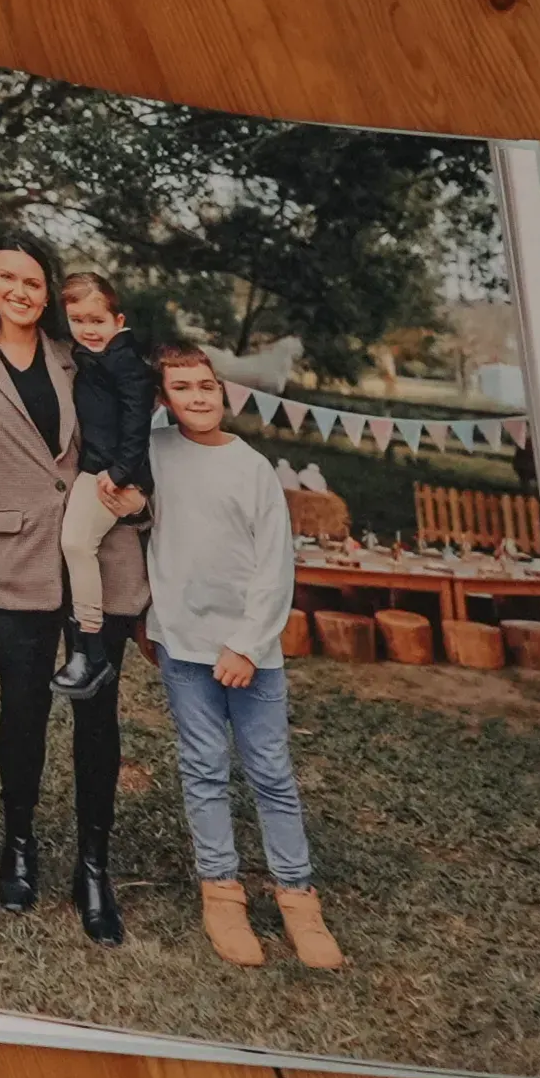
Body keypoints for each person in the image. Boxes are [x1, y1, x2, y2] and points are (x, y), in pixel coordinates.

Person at [0, 236, 147, 945]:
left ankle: (93, 867)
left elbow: (123, 422)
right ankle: (21, 847)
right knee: (20, 710)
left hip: (97, 552)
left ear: (47, 291)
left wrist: (138, 495)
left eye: (34, 281)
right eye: (8, 277)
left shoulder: (73, 351)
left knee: (97, 714)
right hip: (9, 555)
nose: (21, 290)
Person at [147, 346, 346, 970]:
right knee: (203, 767)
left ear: (222, 391)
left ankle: (297, 896)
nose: (199, 397)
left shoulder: (252, 466)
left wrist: (247, 644)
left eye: (207, 385)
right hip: (182, 643)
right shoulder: (152, 452)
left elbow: (273, 563)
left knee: (270, 772)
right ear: (164, 399)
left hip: (249, 648)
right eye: (182, 388)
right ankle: (222, 893)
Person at [54, 271, 156, 699]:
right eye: (78, 320)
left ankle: (91, 647)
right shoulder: (87, 355)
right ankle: (88, 647)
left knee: (77, 544)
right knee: (74, 544)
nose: (88, 330)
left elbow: (137, 424)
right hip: (93, 468)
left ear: (118, 319)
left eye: (97, 320)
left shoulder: (127, 362)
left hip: (114, 474)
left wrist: (119, 473)